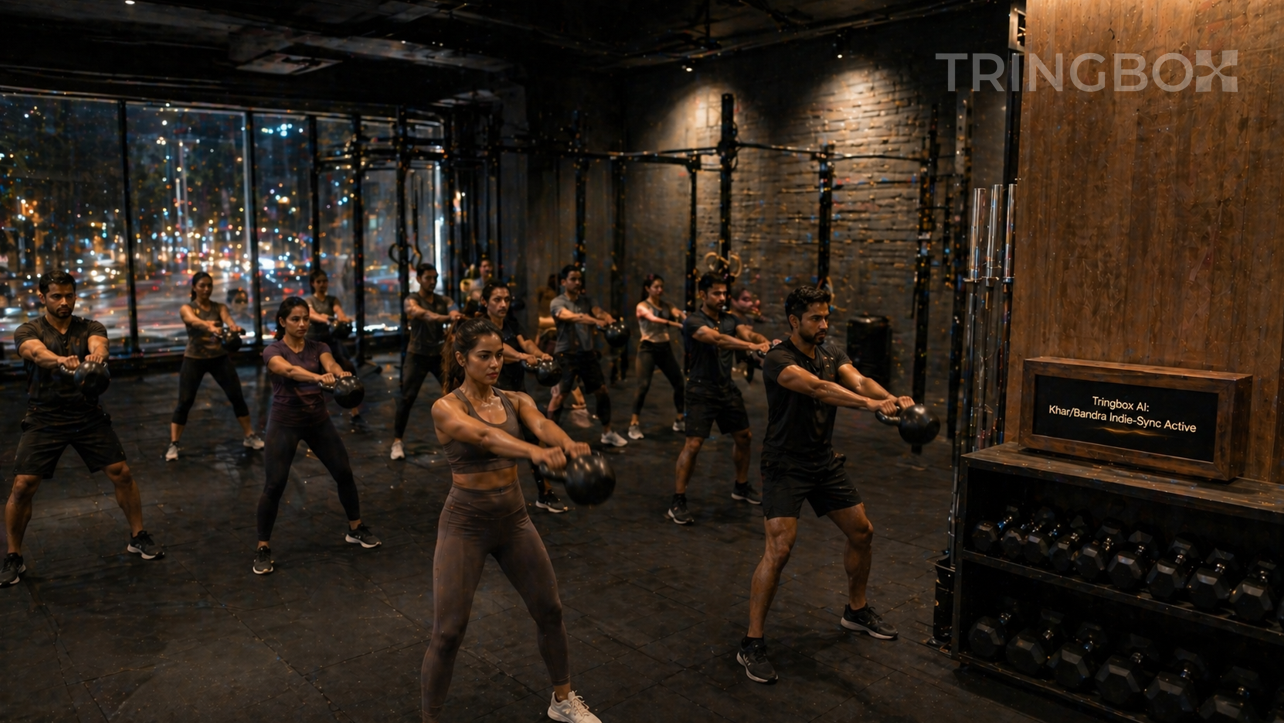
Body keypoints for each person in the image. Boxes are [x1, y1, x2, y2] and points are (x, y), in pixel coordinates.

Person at [423, 317, 602, 723]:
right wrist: (535, 454)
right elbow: (485, 437)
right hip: (465, 523)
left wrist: (569, 444)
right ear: (461, 359)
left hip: (514, 518)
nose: (494, 364)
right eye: (484, 356)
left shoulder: (516, 399)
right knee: (448, 633)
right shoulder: (446, 407)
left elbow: (543, 424)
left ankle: (562, 699)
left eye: (499, 355)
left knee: (550, 610)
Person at [737, 286, 910, 684]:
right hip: (784, 465)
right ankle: (751, 642)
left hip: (822, 461)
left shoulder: (831, 353)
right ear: (795, 321)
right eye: (816, 318)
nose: (824, 325)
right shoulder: (778, 358)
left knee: (862, 532)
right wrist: (870, 408)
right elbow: (819, 388)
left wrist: (894, 401)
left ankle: (856, 610)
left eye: (826, 317)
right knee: (779, 550)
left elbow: (860, 381)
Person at [3, 270, 164, 587]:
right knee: (22, 486)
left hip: (86, 413)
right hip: (45, 415)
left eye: (69, 296)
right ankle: (13, 556)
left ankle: (138, 535)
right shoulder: (28, 329)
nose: (64, 302)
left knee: (122, 473)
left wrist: (96, 357)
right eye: (56, 297)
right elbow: (35, 353)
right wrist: (62, 361)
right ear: (42, 297)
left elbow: (100, 345)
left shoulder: (90, 326)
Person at [253, 297, 380, 575]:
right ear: (282, 322)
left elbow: (329, 362)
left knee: (344, 473)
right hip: (284, 424)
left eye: (305, 319)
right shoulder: (273, 350)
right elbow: (286, 370)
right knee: (274, 485)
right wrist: (316, 378)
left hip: (317, 421)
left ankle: (355, 528)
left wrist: (338, 373)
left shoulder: (318, 346)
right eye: (295, 319)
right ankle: (263, 546)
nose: (301, 324)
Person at [668, 273, 771, 525]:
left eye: (725, 293)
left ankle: (741, 486)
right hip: (701, 391)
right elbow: (719, 340)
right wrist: (751, 347)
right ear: (703, 294)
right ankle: (678, 500)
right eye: (717, 293)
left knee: (744, 437)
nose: (722, 297)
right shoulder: (693, 321)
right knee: (693, 445)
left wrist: (763, 341)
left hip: (726, 389)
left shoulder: (729, 319)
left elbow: (747, 333)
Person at [482, 281, 566, 513]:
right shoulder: (481, 327)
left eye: (507, 300)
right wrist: (521, 355)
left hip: (518, 389)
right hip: (493, 391)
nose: (503, 304)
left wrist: (540, 354)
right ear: (484, 302)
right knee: (496, 446)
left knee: (534, 439)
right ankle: (491, 499)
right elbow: (499, 351)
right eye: (497, 300)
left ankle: (545, 493)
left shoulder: (510, 322)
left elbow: (526, 342)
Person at [166, 271, 263, 461]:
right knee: (184, 402)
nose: (206, 289)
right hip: (194, 358)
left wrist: (233, 327)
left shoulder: (219, 307)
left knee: (236, 396)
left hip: (218, 357)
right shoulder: (188, 308)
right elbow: (191, 320)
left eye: (209, 285)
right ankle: (174, 444)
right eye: (202, 285)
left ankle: (249, 436)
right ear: (194, 287)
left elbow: (228, 319)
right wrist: (209, 326)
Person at [546, 265, 628, 448]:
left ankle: (608, 432)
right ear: (563, 282)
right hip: (565, 354)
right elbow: (574, 317)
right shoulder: (557, 302)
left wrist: (606, 317)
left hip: (586, 354)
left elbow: (598, 311)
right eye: (573, 279)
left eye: (579, 279)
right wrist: (595, 320)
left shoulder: (587, 300)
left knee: (602, 392)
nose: (577, 282)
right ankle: (548, 437)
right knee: (560, 396)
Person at [391, 263, 461, 460]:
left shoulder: (443, 299)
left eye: (435, 278)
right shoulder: (411, 300)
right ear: (419, 279)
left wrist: (455, 314)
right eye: (428, 278)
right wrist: (446, 316)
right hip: (417, 355)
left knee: (455, 394)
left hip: (439, 355)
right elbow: (423, 314)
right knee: (407, 398)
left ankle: (460, 437)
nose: (432, 281)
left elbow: (453, 307)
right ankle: (397, 442)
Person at [306, 269, 366, 428]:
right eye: (318, 282)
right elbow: (311, 314)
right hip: (313, 345)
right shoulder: (309, 300)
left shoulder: (333, 300)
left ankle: (355, 412)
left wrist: (344, 320)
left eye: (324, 281)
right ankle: (315, 416)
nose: (322, 285)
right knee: (314, 381)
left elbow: (340, 313)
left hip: (331, 344)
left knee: (348, 370)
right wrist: (327, 320)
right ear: (313, 284)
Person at [627, 274, 685, 440]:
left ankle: (680, 419)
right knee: (643, 385)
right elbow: (654, 319)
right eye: (656, 287)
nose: (660, 290)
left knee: (679, 383)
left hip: (664, 349)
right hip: (648, 349)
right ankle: (634, 424)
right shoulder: (642, 306)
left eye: (661, 287)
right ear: (647, 289)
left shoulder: (667, 305)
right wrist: (678, 325)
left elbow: (677, 312)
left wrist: (685, 319)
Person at [728, 286, 767, 383]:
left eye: (750, 300)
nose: (749, 303)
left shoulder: (747, 318)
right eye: (745, 299)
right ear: (733, 301)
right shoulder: (729, 320)